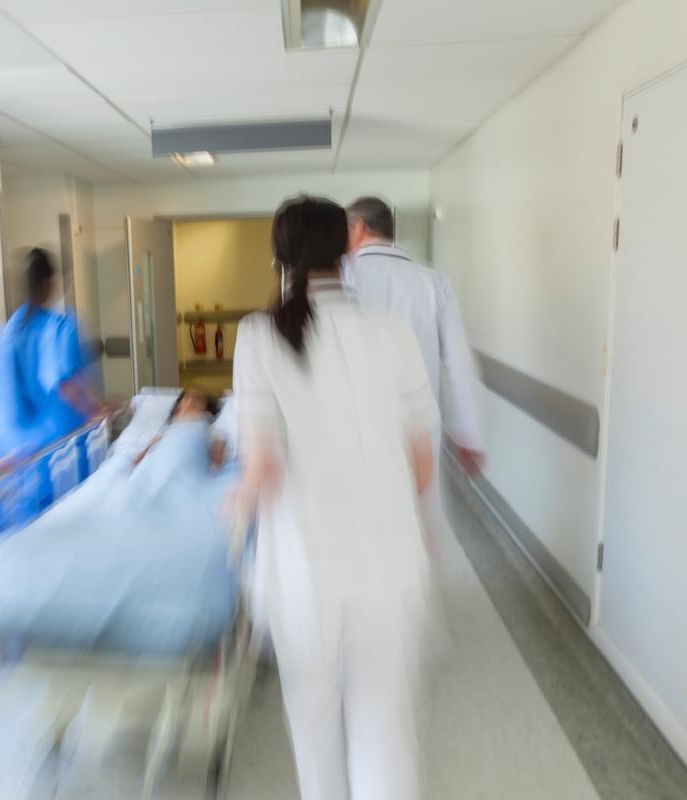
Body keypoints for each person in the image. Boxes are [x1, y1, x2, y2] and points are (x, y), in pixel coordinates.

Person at [233, 195, 442, 799]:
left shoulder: (258, 335)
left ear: (281, 256)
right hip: (388, 564)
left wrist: (229, 509)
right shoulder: (392, 331)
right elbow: (422, 467)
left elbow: (263, 468)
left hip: (304, 570)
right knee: (384, 728)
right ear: (347, 248)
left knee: (315, 722)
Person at [344, 196, 485, 479]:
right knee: (421, 510)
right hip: (422, 424)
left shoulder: (343, 278)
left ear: (358, 227)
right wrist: (470, 434)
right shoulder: (434, 282)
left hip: (361, 424)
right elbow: (460, 363)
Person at [0, 248, 101, 531]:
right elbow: (66, 387)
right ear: (49, 283)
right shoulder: (61, 327)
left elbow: (4, 402)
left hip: (17, 461)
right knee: (67, 531)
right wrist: (98, 410)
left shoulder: (5, 333)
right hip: (57, 455)